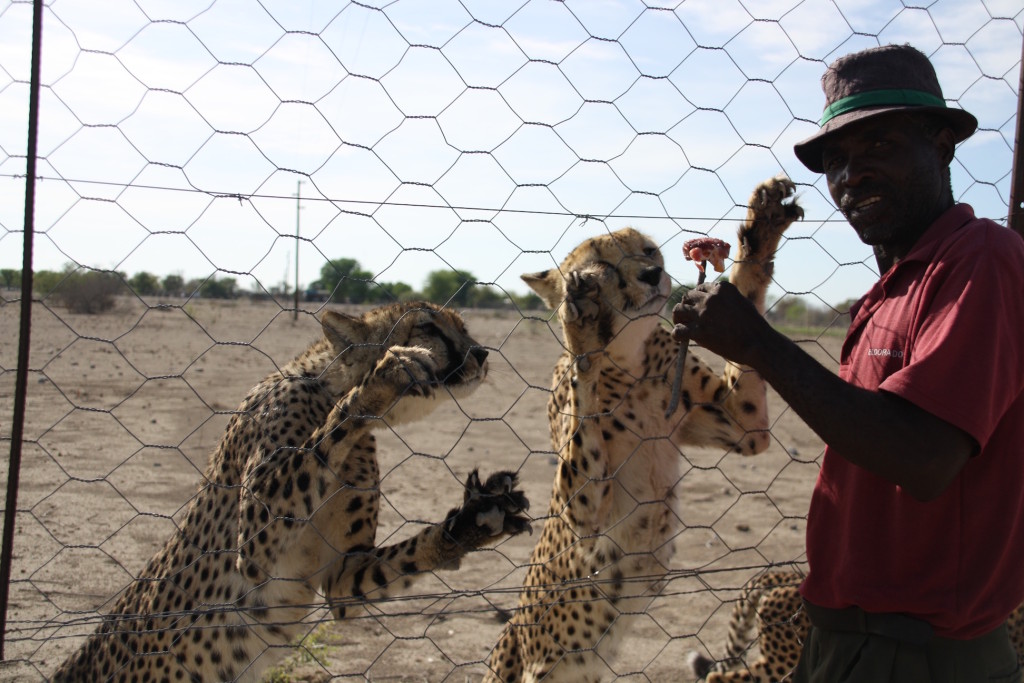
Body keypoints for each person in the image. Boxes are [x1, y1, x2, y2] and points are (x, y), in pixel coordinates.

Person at [672, 44, 1024, 682]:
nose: (851, 176)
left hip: (920, 654)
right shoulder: (888, 291)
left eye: (880, 147)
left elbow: (923, 456)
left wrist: (756, 343)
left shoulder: (984, 261)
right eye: (835, 161)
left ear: (943, 143)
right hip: (844, 636)